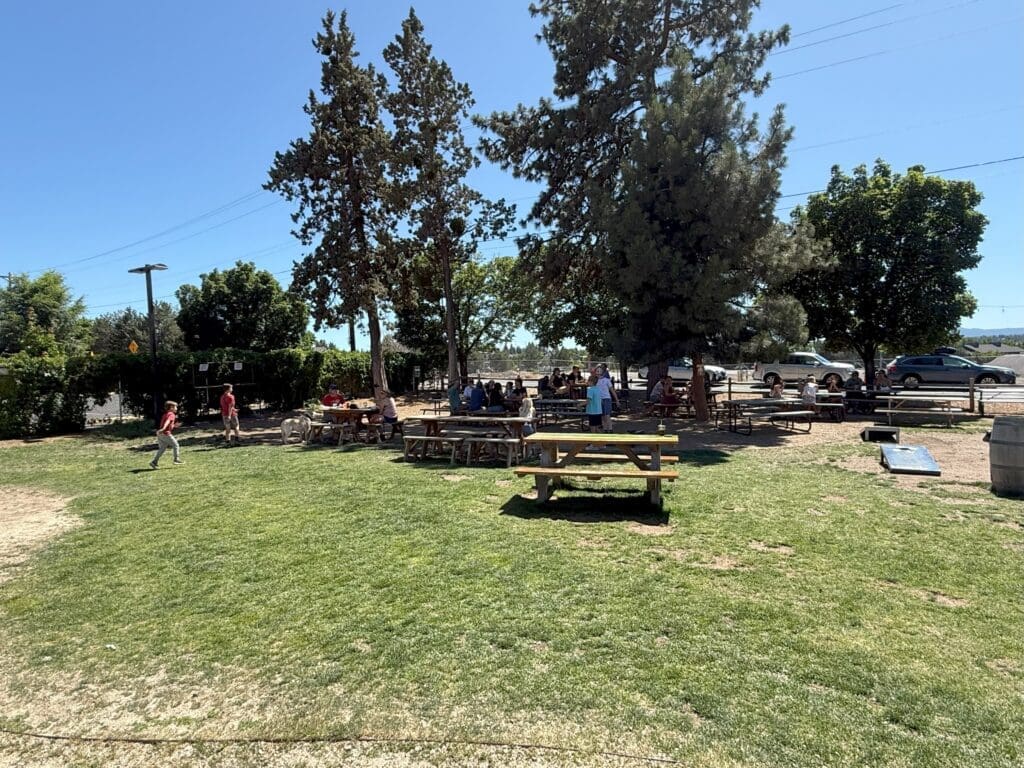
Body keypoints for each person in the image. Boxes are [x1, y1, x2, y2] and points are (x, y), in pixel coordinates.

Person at [150, 400, 183, 469]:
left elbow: (169, 423)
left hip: (160, 433)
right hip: (165, 433)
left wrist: (174, 425)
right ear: (171, 407)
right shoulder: (171, 414)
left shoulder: (166, 414)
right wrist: (163, 428)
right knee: (176, 445)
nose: (176, 408)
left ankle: (154, 462)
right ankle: (176, 459)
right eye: (175, 407)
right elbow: (167, 421)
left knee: (162, 448)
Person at [595, 366, 619, 432]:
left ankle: (610, 429)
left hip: (606, 398)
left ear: (602, 372)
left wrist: (617, 400)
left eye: (599, 371)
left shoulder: (607, 380)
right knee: (602, 416)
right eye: (597, 371)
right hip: (599, 399)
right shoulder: (595, 381)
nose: (598, 372)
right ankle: (605, 429)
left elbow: (612, 390)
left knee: (607, 415)